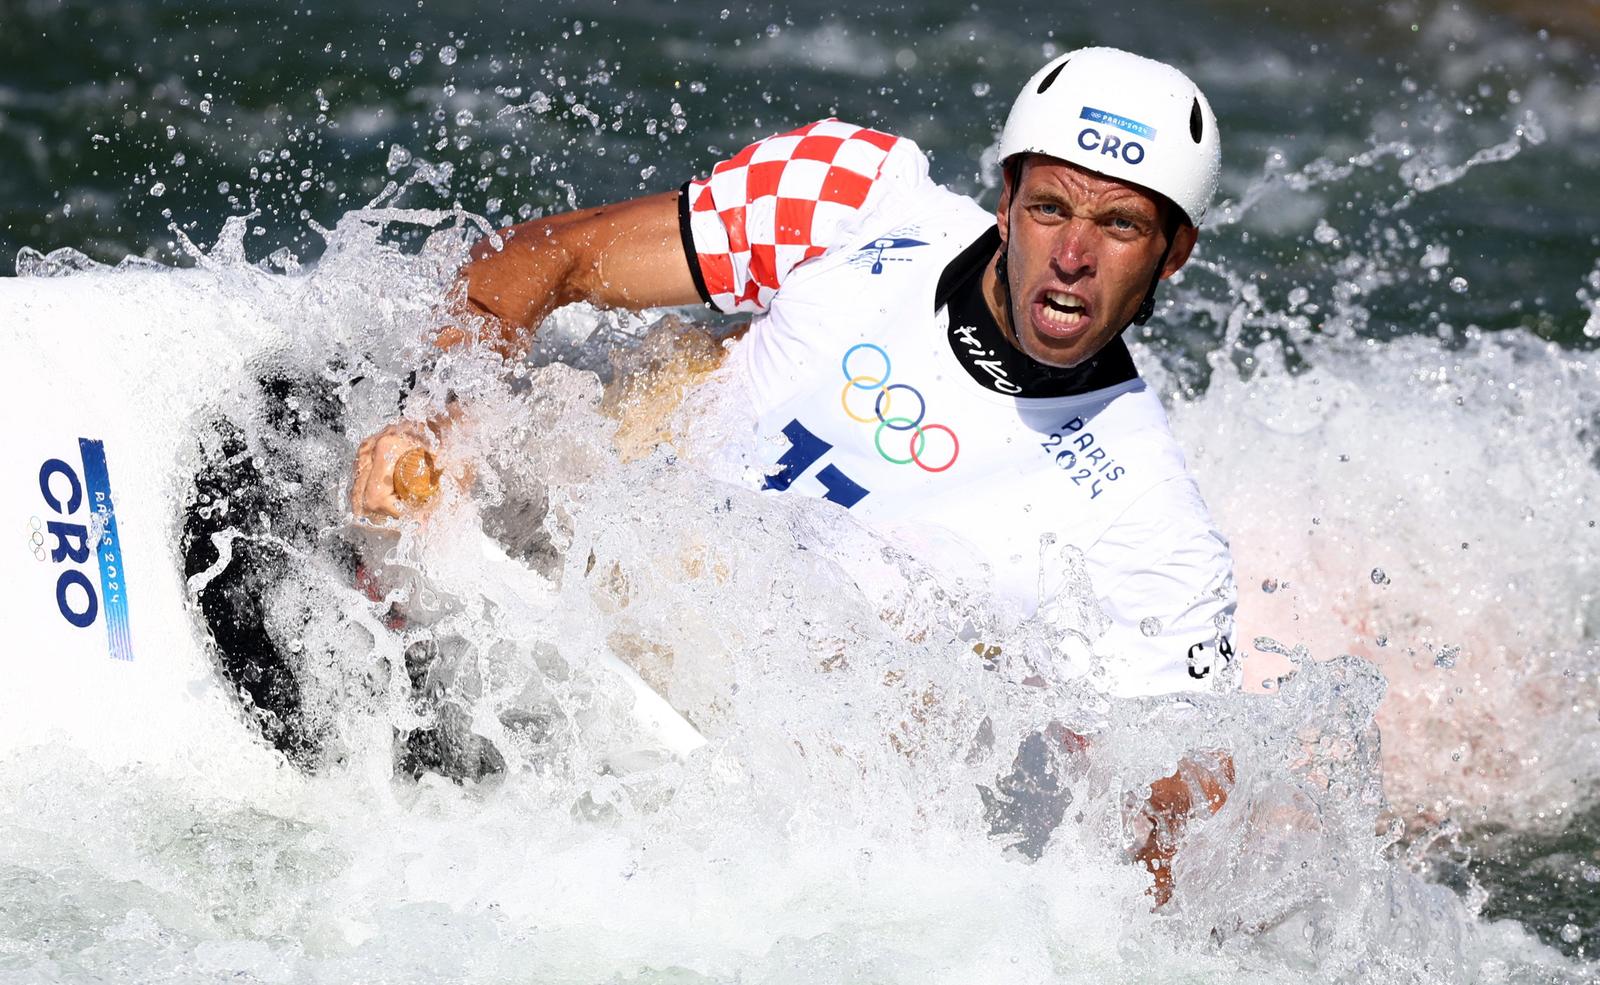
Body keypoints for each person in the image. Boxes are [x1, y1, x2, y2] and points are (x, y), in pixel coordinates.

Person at [352, 46, 1236, 902]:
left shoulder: (1152, 527)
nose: (1072, 255)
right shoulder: (859, 200)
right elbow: (553, 258)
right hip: (571, 540)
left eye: (1119, 225)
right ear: (1006, 199)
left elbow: (1171, 833)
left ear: (1175, 250)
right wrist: (435, 418)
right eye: (1050, 208)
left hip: (723, 776)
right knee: (646, 385)